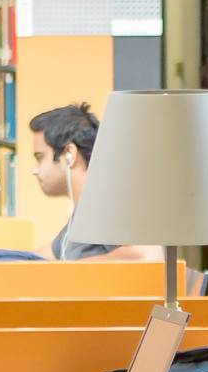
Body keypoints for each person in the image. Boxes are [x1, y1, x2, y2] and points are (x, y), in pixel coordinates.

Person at [27, 102, 163, 263]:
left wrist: (74, 269)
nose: (34, 170)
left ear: (69, 153)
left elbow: (149, 255)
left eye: (40, 158)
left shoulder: (106, 202)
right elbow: (49, 254)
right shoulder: (84, 212)